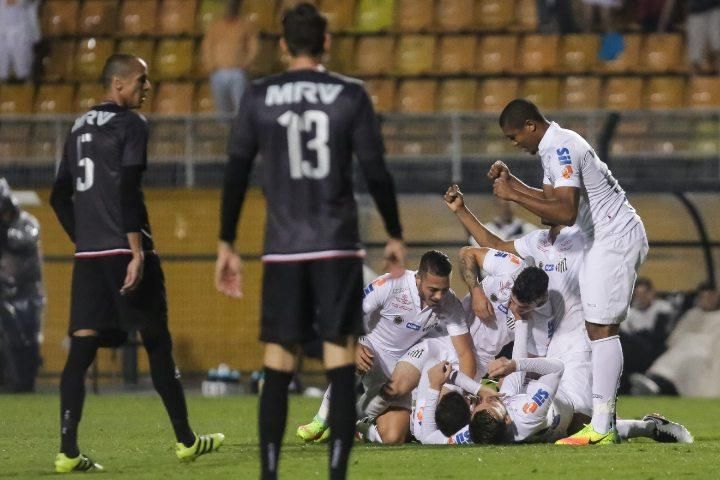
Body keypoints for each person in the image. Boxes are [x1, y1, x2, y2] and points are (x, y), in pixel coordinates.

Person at [215, 4, 405, 479]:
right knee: (340, 363)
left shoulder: (258, 95)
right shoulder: (349, 94)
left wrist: (226, 241)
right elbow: (375, 170)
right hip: (336, 246)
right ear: (326, 43)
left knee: (278, 360)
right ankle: (336, 474)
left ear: (282, 45)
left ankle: (270, 473)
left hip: (283, 249)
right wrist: (395, 232)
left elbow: (236, 171)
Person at [49, 54, 223, 473]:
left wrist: (84, 240)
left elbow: (58, 196)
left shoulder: (76, 127)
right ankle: (185, 441)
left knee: (82, 348)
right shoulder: (131, 125)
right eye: (142, 80)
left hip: (89, 257)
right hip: (125, 250)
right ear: (118, 85)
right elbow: (128, 190)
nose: (148, 87)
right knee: (157, 341)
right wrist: (135, 250)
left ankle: (67, 451)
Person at [490, 98, 648, 445]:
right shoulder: (552, 150)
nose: (514, 144)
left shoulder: (561, 148)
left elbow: (565, 213)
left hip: (616, 236)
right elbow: (550, 212)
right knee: (598, 327)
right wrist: (513, 185)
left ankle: (603, 426)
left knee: (602, 328)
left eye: (514, 136)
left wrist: (513, 196)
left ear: (530, 126)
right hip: (601, 239)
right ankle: (604, 424)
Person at [445, 184, 593, 425]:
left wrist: (512, 374)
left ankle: (625, 424)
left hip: (573, 338)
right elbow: (487, 247)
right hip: (453, 332)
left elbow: (528, 357)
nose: (513, 306)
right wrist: (477, 290)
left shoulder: (581, 240)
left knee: (578, 419)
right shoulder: (534, 244)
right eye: (513, 300)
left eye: (520, 306)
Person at [298, 250, 475, 445]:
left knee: (393, 436)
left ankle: (353, 427)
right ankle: (321, 420)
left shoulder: (449, 303)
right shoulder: (392, 283)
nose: (439, 296)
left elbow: (465, 352)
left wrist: (463, 393)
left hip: (401, 363)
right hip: (369, 346)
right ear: (418, 278)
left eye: (444, 289)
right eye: (433, 289)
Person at [630, 282, 720, 397]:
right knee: (672, 358)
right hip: (683, 348)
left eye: (710, 297)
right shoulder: (692, 314)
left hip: (706, 352)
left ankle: (655, 384)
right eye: (703, 297)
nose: (707, 300)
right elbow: (675, 337)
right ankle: (652, 380)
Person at [0, 178, 43, 392]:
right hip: (4, 294)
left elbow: (23, 241)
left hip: (28, 294)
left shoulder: (27, 222)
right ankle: (9, 381)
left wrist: (5, 232)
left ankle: (26, 383)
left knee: (27, 341)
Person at [200, 0, 259, 114]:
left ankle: (241, 130)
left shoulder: (244, 26)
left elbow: (253, 46)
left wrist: (246, 63)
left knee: (240, 105)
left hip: (237, 72)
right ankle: (224, 130)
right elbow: (207, 46)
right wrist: (211, 65)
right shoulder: (215, 26)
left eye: (233, 7)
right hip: (218, 72)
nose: (230, 10)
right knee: (221, 107)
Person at [620, 277, 676, 393]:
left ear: (652, 293)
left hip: (654, 348)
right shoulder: (629, 313)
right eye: (638, 294)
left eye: (644, 293)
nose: (641, 297)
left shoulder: (662, 308)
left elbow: (659, 334)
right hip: (635, 350)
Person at [0, 0, 40, 81]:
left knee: (24, 72)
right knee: (2, 73)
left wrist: (18, 1)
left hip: (22, 33)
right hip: (2, 33)